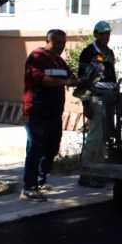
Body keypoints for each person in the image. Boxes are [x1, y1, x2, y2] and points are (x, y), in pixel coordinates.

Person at [21, 29, 77, 200]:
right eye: (57, 43)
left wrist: (78, 80)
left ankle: (41, 181)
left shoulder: (59, 61)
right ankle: (28, 188)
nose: (61, 46)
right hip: (37, 110)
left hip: (54, 112)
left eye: (63, 43)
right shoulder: (37, 57)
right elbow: (42, 80)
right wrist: (65, 82)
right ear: (48, 41)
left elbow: (71, 77)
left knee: (52, 147)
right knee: (35, 147)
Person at [76, 21, 117, 186]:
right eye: (102, 33)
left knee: (103, 138)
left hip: (108, 97)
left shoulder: (109, 52)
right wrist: (86, 103)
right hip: (95, 97)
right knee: (95, 137)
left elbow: (110, 75)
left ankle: (98, 172)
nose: (106, 36)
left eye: (108, 33)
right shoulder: (89, 52)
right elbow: (83, 79)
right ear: (96, 34)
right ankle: (86, 174)